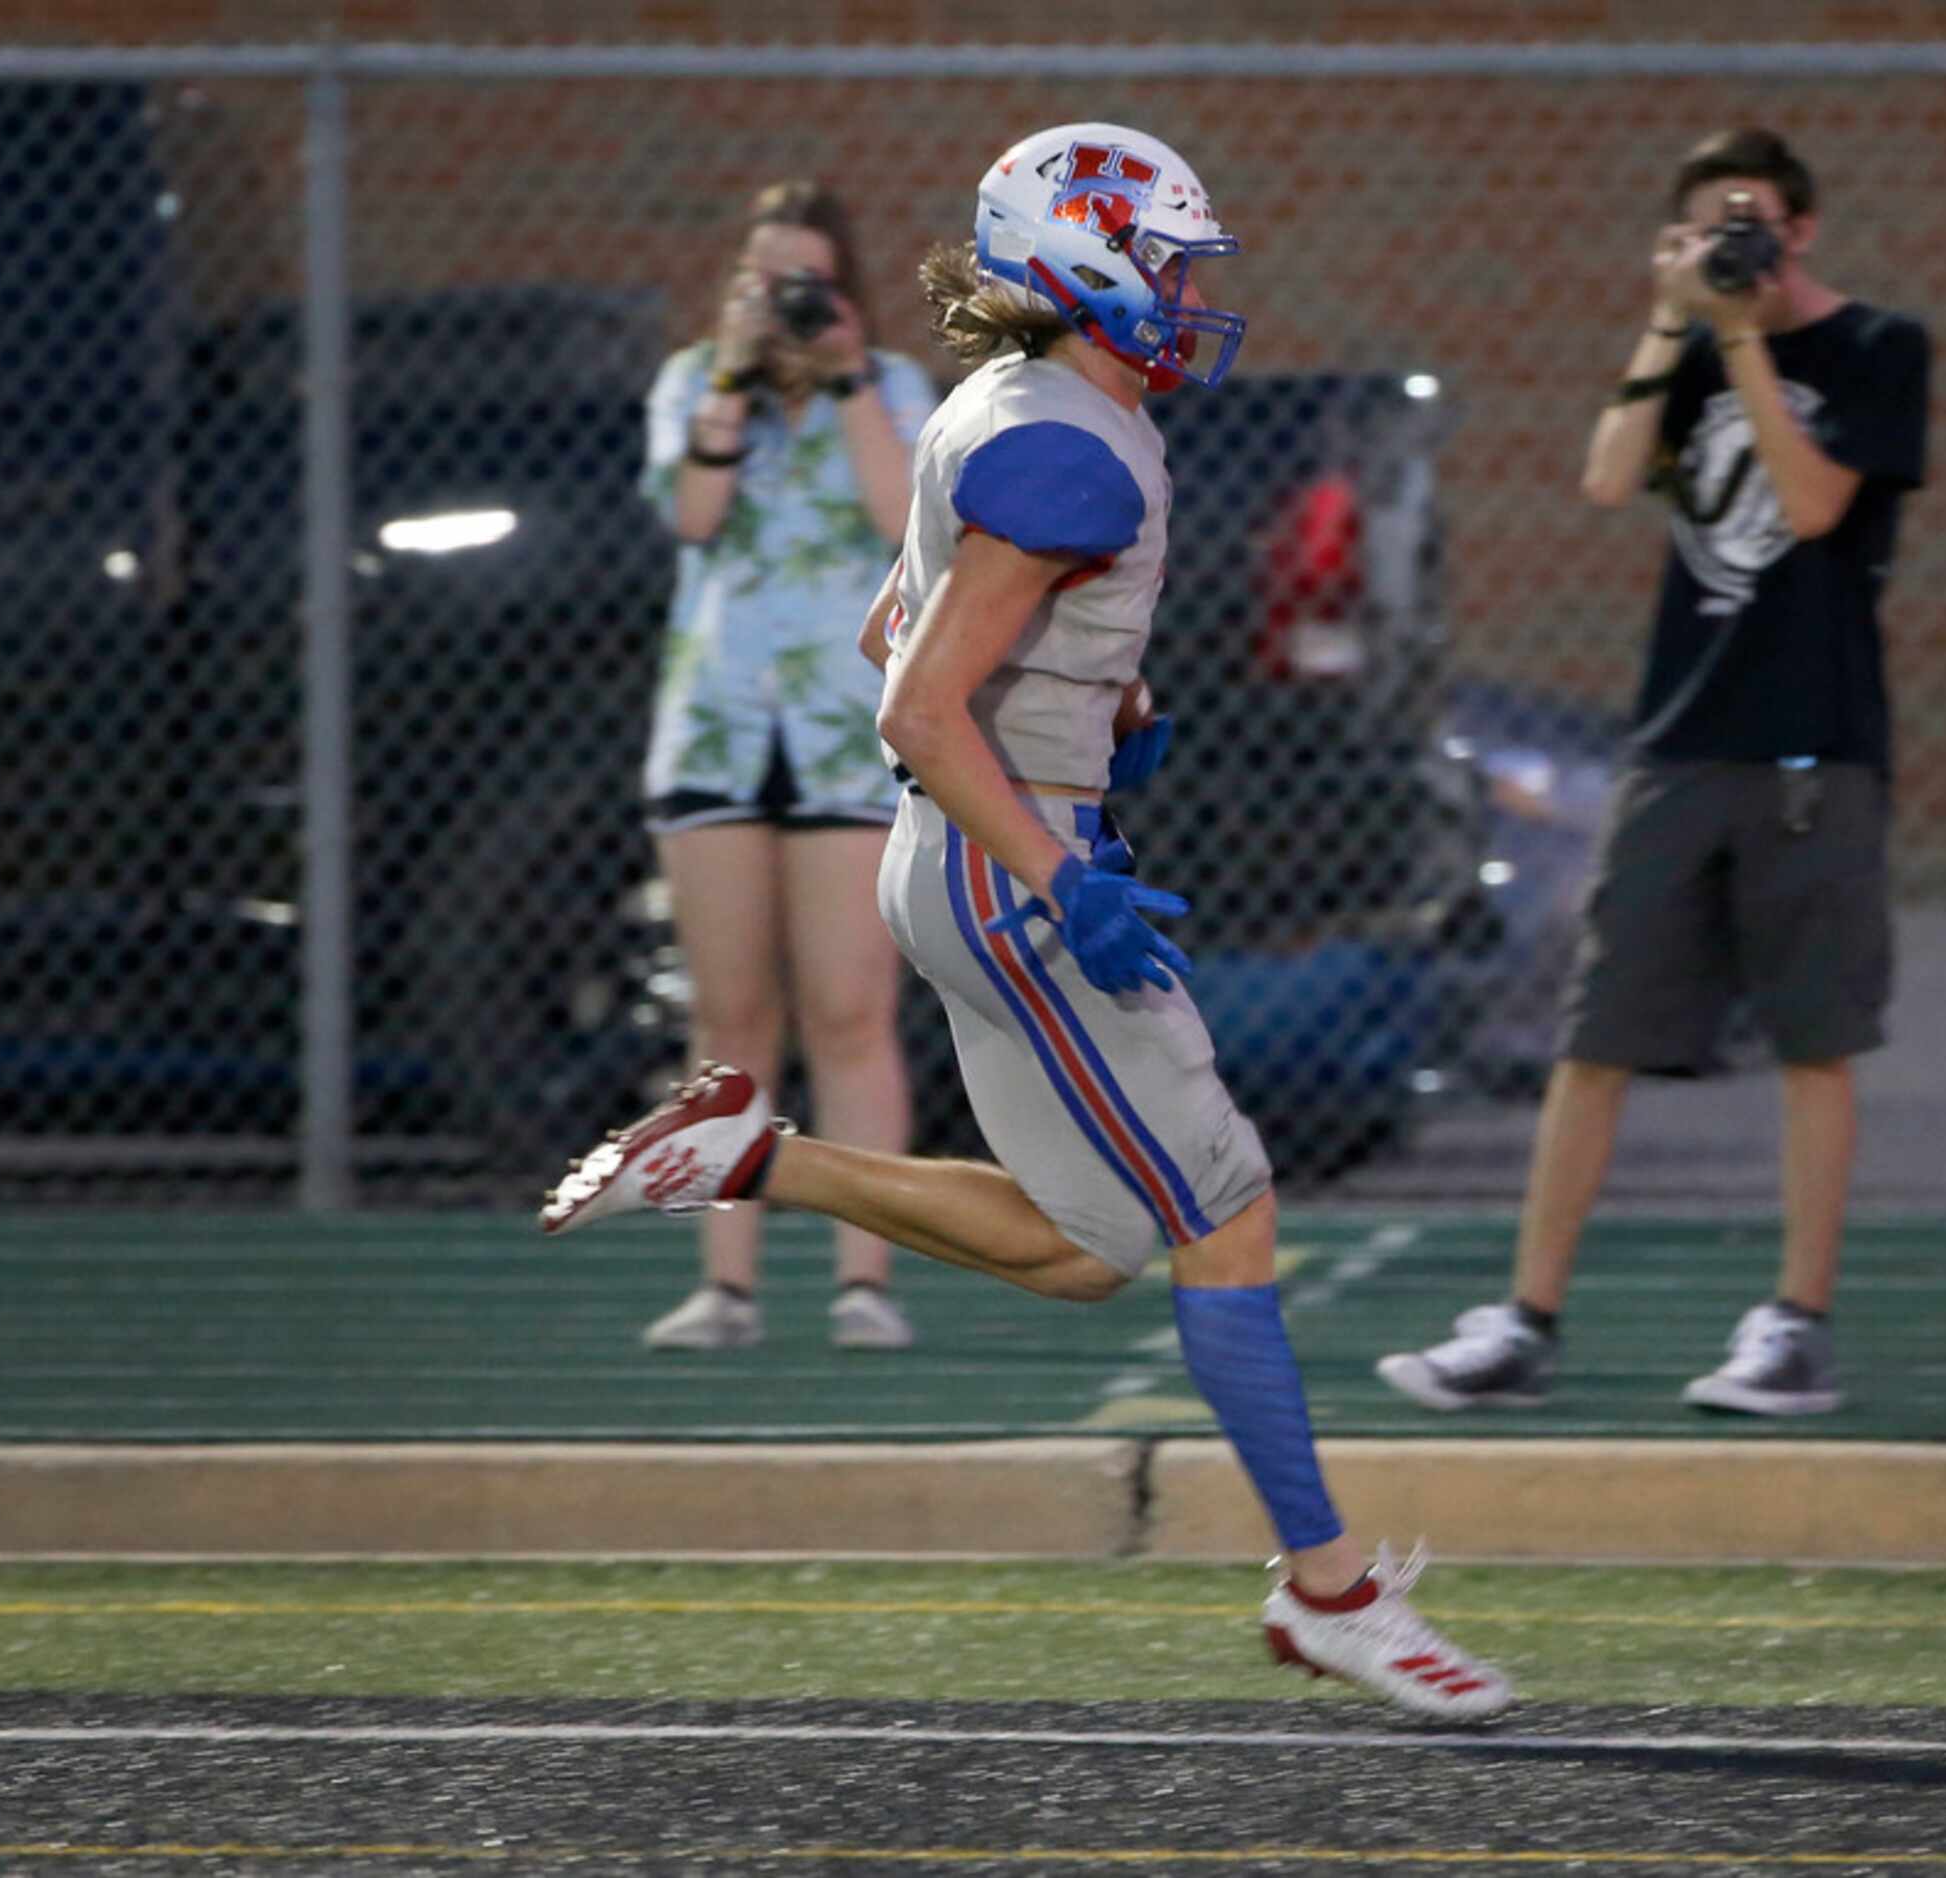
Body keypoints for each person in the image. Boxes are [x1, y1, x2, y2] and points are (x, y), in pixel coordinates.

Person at [545, 122, 1512, 1720]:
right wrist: (1062, 863)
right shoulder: (1063, 440)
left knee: (1084, 1247)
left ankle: (742, 1156)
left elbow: (885, 621)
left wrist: (1087, 691)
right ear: (1087, 265)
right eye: (1170, 262)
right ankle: (1332, 1591)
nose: (1192, 293)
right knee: (1227, 1206)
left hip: (968, 857)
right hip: (1010, 865)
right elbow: (919, 706)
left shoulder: (1020, 409)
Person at [1379, 127, 1931, 1418]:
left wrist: (1739, 339)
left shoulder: (1874, 350)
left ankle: (1793, 1325)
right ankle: (1524, 1319)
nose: (1734, 244)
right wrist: (1663, 323)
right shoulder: (1682, 353)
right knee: (1594, 1037)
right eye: (1705, 226)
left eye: (1751, 222)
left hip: (1814, 751)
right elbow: (1607, 476)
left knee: (1811, 1044)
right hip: (1676, 741)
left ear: (1799, 230)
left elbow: (1809, 509)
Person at [635, 182, 940, 1355]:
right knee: (731, 1020)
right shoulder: (689, 382)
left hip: (843, 730)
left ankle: (863, 1281)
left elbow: (899, 519)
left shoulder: (901, 388)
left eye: (807, 281)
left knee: (850, 1013)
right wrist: (730, 372)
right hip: (716, 725)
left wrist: (851, 374)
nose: (785, 304)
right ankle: (727, 1286)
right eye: (765, 280)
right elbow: (694, 515)